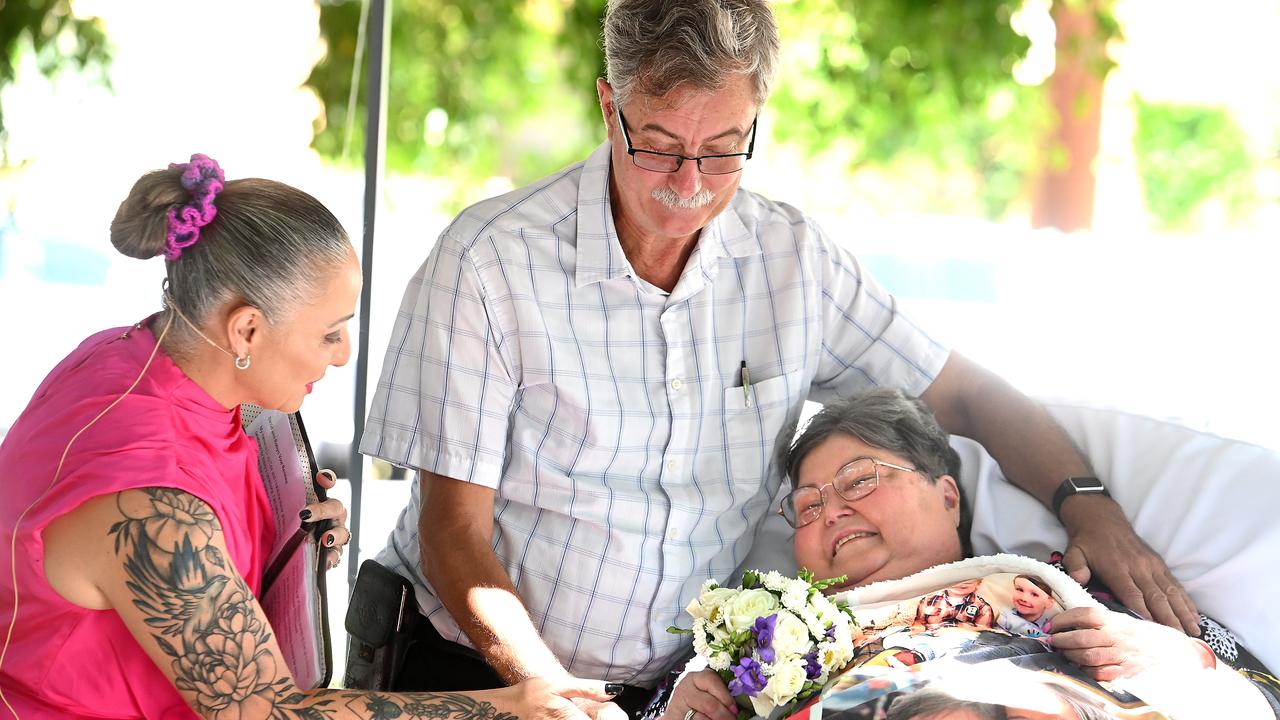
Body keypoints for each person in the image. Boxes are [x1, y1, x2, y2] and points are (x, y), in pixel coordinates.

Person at [358, 0, 1196, 713]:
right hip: (479, 672)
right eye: (657, 145)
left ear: (756, 114)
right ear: (608, 105)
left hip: (674, 694)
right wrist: (547, 691)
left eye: (724, 147)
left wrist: (1092, 508)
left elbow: (968, 392)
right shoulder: (489, 261)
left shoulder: (793, 259)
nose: (688, 184)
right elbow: (451, 535)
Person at [0, 154, 616, 719]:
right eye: (329, 333)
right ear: (245, 331)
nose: (345, 353)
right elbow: (265, 713)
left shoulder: (124, 354)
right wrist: (506, 708)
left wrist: (278, 538)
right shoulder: (153, 508)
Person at [659, 390, 1276, 720]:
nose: (832, 510)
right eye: (808, 505)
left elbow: (1260, 690)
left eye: (859, 480)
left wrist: (1182, 658)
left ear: (947, 494)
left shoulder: (1071, 588)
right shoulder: (754, 648)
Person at [911, 579, 996, 633]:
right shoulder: (928, 600)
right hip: (928, 636)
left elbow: (984, 632)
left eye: (968, 579)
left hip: (961, 640)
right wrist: (917, 631)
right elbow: (919, 622)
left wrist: (956, 631)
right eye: (956, 578)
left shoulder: (983, 608)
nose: (961, 583)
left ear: (979, 583)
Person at [997, 575, 1057, 641]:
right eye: (1020, 590)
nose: (1024, 598)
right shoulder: (1006, 615)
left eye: (1034, 594)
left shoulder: (1051, 626)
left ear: (1049, 602)